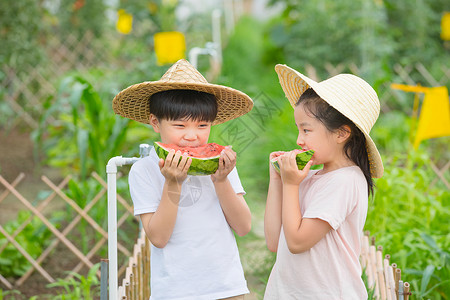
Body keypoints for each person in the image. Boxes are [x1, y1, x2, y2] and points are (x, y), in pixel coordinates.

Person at [112, 59, 254, 300]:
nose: (192, 136)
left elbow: (243, 227)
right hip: (175, 291)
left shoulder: (221, 165)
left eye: (202, 125)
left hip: (227, 287)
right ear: (155, 122)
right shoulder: (144, 171)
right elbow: (158, 237)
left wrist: (221, 180)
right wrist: (173, 183)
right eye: (179, 125)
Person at [264, 64, 384, 300]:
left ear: (341, 133)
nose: (299, 140)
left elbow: (298, 242)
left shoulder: (346, 181)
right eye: (298, 130)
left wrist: (290, 185)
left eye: (306, 130)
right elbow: (274, 241)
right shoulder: (308, 177)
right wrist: (277, 180)